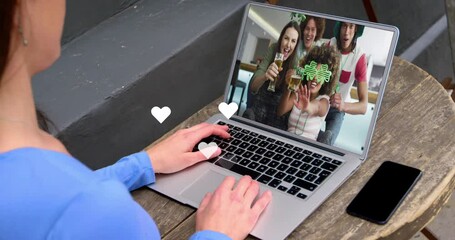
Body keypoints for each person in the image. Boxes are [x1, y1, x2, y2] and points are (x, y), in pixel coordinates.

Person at [0, 1, 272, 239]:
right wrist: (216, 235)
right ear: (21, 9)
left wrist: (142, 164)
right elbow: (70, 209)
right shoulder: (98, 214)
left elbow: (48, 203)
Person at [243, 21, 301, 130]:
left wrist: (292, 87)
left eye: (293, 41)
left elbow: (287, 106)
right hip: (258, 110)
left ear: (296, 45)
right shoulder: (273, 49)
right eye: (286, 38)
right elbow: (253, 86)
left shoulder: (295, 63)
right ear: (281, 39)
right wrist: (265, 76)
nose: (289, 45)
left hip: (276, 121)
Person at [317, 21, 368, 145]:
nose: (346, 32)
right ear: (339, 28)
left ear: (356, 29)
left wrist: (343, 106)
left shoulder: (360, 57)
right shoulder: (329, 45)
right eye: (344, 26)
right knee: (308, 133)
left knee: (327, 142)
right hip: (320, 100)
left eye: (351, 26)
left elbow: (363, 107)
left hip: (337, 110)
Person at [277, 46, 339, 140]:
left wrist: (307, 106)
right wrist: (289, 87)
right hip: (287, 140)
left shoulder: (324, 101)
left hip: (306, 148)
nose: (315, 78)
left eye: (320, 74)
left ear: (326, 80)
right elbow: (280, 111)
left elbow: (316, 107)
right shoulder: (299, 93)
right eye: (312, 72)